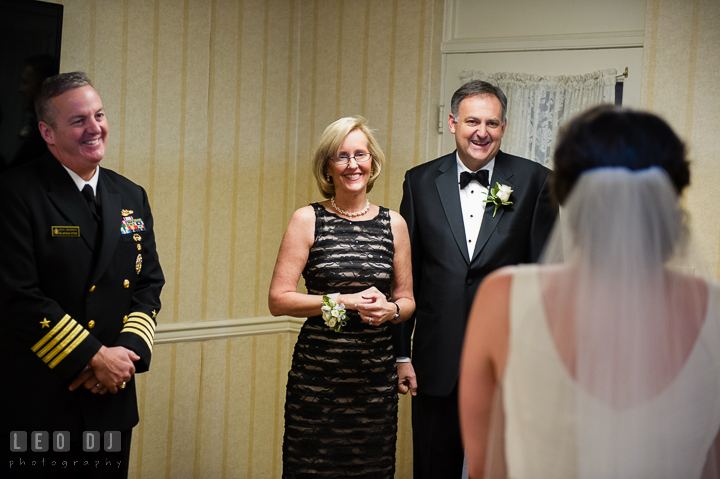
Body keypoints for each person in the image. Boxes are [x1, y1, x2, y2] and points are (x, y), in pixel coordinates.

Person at [459, 105, 720, 479]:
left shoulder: (502, 297)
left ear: (567, 192)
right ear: (673, 191)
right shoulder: (715, 310)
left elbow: (485, 467)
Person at [0, 72, 164, 478]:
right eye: (78, 121)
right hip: (40, 399)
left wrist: (123, 357)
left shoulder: (130, 194)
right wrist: (93, 358)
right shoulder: (15, 192)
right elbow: (18, 294)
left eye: (100, 115)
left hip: (111, 397)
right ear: (47, 132)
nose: (95, 128)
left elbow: (148, 284)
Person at [392, 80, 558, 477]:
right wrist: (401, 354)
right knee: (434, 468)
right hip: (435, 362)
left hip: (508, 364)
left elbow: (546, 279)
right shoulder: (419, 183)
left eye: (492, 123)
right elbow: (403, 278)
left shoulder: (537, 182)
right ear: (452, 123)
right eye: (472, 121)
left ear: (504, 127)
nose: (482, 132)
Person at [268, 116, 415, 478]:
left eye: (360, 155)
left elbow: (408, 300)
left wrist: (391, 310)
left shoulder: (394, 224)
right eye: (341, 156)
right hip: (318, 383)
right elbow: (278, 300)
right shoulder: (307, 219)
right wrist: (343, 301)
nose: (353, 165)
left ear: (372, 162)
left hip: (374, 385)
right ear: (327, 167)